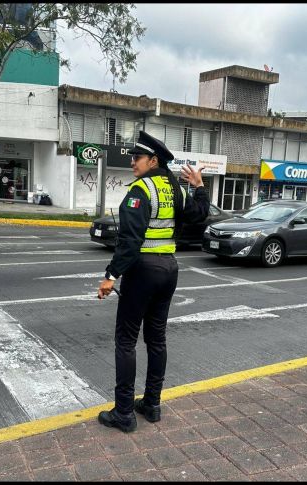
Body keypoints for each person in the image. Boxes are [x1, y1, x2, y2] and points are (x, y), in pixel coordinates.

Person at [96, 130, 209, 432]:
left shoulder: (141, 190)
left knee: (126, 341)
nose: (132, 162)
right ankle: (152, 404)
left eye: (138, 157)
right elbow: (199, 214)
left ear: (153, 160)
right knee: (156, 339)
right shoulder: (174, 188)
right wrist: (199, 186)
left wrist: (110, 276)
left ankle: (123, 413)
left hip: (143, 271)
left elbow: (129, 242)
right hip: (169, 269)